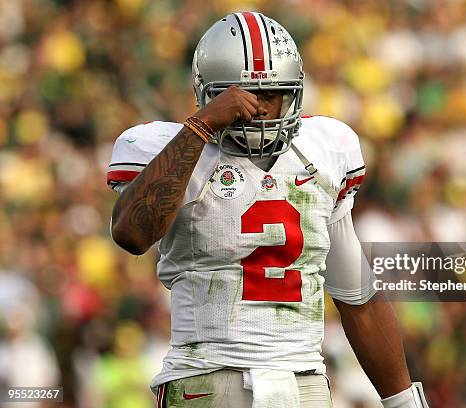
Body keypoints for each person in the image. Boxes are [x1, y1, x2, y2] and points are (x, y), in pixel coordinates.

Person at [107, 12, 430, 408]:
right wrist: (201, 127)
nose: (256, 108)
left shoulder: (323, 151)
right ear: (208, 94)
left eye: (270, 94)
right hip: (206, 377)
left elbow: (357, 297)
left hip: (304, 380)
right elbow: (132, 234)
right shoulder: (171, 149)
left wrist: (402, 400)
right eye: (238, 95)